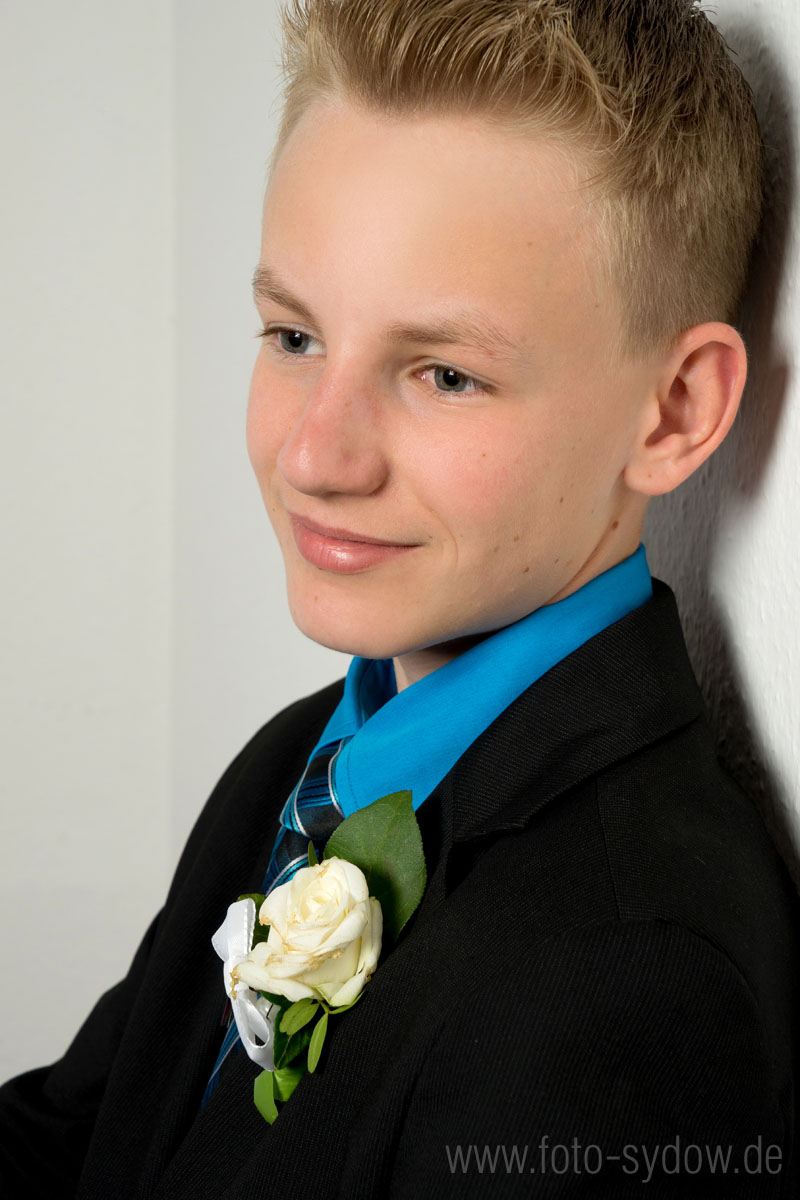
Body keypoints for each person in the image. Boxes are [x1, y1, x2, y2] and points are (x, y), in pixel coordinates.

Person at [1, 0, 797, 1195]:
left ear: (673, 412)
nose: (314, 456)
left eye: (443, 374)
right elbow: (85, 1139)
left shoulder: (624, 980)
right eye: (293, 337)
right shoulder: (303, 759)